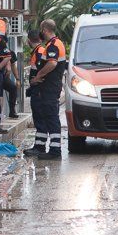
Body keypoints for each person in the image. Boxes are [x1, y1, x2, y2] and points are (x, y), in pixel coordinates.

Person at [30, 19, 67, 159]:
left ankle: (55, 151)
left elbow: (51, 63)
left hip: (50, 88)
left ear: (45, 30)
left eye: (41, 29)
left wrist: (38, 76)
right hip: (50, 87)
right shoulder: (55, 44)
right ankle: (46, 148)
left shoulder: (53, 45)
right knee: (48, 116)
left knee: (51, 117)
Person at [23, 29, 48, 156]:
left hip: (39, 91)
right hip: (37, 90)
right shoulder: (39, 51)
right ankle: (39, 145)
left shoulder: (39, 52)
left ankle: (40, 147)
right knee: (39, 119)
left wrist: (35, 83)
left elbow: (41, 72)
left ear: (29, 40)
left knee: (39, 119)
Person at [3, 51, 21, 119]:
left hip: (4, 76)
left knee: (13, 88)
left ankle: (12, 111)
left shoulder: (10, 52)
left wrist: (17, 79)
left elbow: (13, 65)